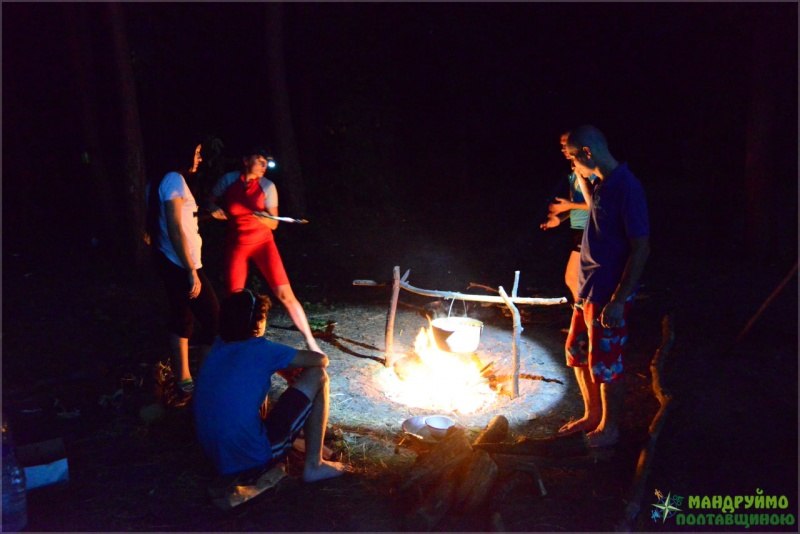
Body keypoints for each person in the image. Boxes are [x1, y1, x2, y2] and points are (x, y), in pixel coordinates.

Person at [557, 125, 650, 448]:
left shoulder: (627, 187)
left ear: (587, 152)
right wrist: (580, 176)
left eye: (573, 157)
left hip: (608, 292)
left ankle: (609, 429)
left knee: (606, 363)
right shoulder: (602, 184)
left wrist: (618, 300)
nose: (571, 164)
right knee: (577, 352)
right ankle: (591, 415)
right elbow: (593, 207)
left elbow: (641, 248)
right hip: (587, 289)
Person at [193, 290, 346, 482]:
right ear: (257, 323)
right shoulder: (262, 349)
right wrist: (285, 365)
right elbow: (321, 360)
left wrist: (281, 368)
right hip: (250, 459)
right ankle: (314, 466)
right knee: (318, 375)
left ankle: (294, 438)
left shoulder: (217, 346)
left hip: (215, 456)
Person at [207, 148, 324, 354]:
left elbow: (274, 224)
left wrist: (263, 217)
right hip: (237, 245)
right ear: (246, 160)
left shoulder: (268, 186)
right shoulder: (228, 180)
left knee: (285, 294)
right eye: (259, 160)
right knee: (234, 300)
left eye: (266, 161)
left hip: (263, 244)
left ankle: (310, 341)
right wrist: (212, 208)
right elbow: (210, 200)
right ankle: (235, 346)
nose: (263, 165)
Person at [146, 141, 220, 406]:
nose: (199, 158)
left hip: (169, 260)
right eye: (196, 153)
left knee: (182, 317)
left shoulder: (157, 181)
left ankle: (184, 382)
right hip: (181, 263)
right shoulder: (174, 179)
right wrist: (191, 270)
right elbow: (175, 227)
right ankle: (207, 381)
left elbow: (178, 220)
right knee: (214, 320)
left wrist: (208, 215)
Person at [540, 131, 596, 303]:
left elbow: (597, 205)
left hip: (590, 228)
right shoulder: (574, 171)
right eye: (561, 145)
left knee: (574, 277)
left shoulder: (589, 171)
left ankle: (586, 313)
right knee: (576, 278)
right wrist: (560, 218)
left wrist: (568, 205)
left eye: (567, 143)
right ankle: (584, 312)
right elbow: (578, 204)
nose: (563, 148)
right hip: (579, 229)